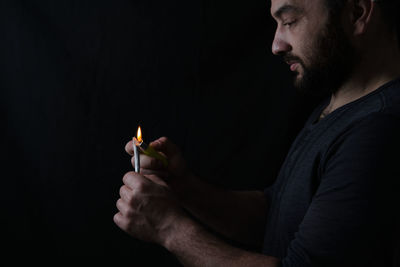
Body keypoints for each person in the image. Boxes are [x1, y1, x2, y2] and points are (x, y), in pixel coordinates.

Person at [113, 0, 400, 266]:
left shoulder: (378, 129)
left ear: (357, 14)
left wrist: (168, 228)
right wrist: (183, 186)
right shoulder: (339, 105)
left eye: (290, 21)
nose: (276, 44)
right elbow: (275, 216)